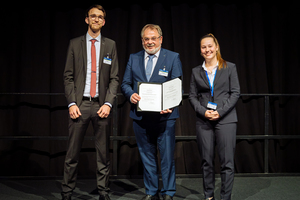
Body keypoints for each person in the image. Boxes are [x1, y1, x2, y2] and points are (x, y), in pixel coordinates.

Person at [61, 5, 119, 200]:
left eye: (100, 17)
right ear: (86, 19)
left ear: (104, 21)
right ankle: (67, 192)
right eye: (93, 16)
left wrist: (108, 103)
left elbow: (114, 78)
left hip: (101, 106)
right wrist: (71, 103)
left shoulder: (110, 45)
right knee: (72, 153)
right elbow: (68, 76)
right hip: (80, 105)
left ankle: (103, 192)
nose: (96, 19)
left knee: (103, 154)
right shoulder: (75, 44)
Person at [121, 24, 183, 200]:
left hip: (166, 116)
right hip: (141, 117)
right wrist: (130, 94)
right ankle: (151, 191)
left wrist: (170, 103)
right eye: (146, 39)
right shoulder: (134, 58)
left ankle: (169, 192)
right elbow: (125, 83)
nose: (150, 42)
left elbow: (177, 85)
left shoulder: (172, 57)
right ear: (142, 40)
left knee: (167, 156)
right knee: (147, 155)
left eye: (153, 38)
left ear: (160, 39)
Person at [189, 33, 240, 200]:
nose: (207, 50)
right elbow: (192, 96)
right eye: (203, 47)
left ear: (216, 47)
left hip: (226, 120)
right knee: (207, 161)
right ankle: (209, 196)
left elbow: (235, 93)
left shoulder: (229, 67)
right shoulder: (196, 71)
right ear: (200, 50)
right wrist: (204, 111)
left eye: (210, 46)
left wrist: (221, 111)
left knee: (227, 163)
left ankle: (225, 197)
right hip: (204, 121)